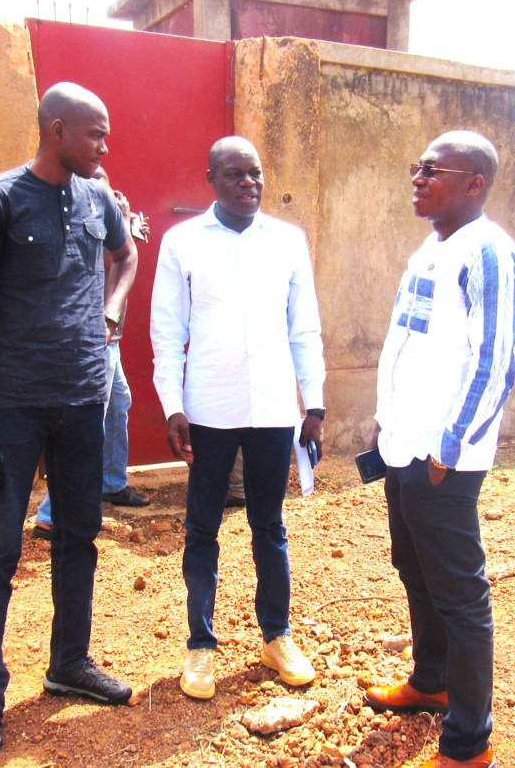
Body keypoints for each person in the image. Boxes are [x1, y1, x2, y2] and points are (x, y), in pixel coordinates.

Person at [0, 82, 138, 758]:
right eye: (95, 133)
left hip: (84, 399)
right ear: (57, 130)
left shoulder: (98, 197)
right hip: (14, 405)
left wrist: (112, 305)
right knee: (0, 545)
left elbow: (126, 255)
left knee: (79, 535)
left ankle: (69, 663)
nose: (104, 146)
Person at [362, 131, 515, 768]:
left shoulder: (488, 252)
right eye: (417, 168)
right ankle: (431, 682)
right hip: (405, 446)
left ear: (474, 184)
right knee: (415, 568)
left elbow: (494, 361)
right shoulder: (430, 250)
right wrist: (386, 425)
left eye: (433, 170)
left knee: (460, 596)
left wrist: (449, 449)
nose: (419, 179)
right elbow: (409, 346)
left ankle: (468, 743)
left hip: (443, 460)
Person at [150, 136, 325, 700]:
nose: (249, 184)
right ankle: (200, 645)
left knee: (269, 525)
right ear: (211, 179)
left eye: (255, 174)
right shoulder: (183, 243)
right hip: (209, 407)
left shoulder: (287, 241)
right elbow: (167, 331)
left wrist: (314, 403)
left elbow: (304, 326)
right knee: (202, 527)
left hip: (273, 406)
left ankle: (276, 636)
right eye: (235, 175)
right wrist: (173, 405)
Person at [32, 168, 149, 541]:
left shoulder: (105, 221)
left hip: (110, 341)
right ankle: (51, 514)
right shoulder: (77, 224)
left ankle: (111, 482)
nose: (100, 191)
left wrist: (125, 226)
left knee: (118, 407)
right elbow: (110, 269)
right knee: (86, 424)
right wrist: (122, 228)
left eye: (105, 184)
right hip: (92, 342)